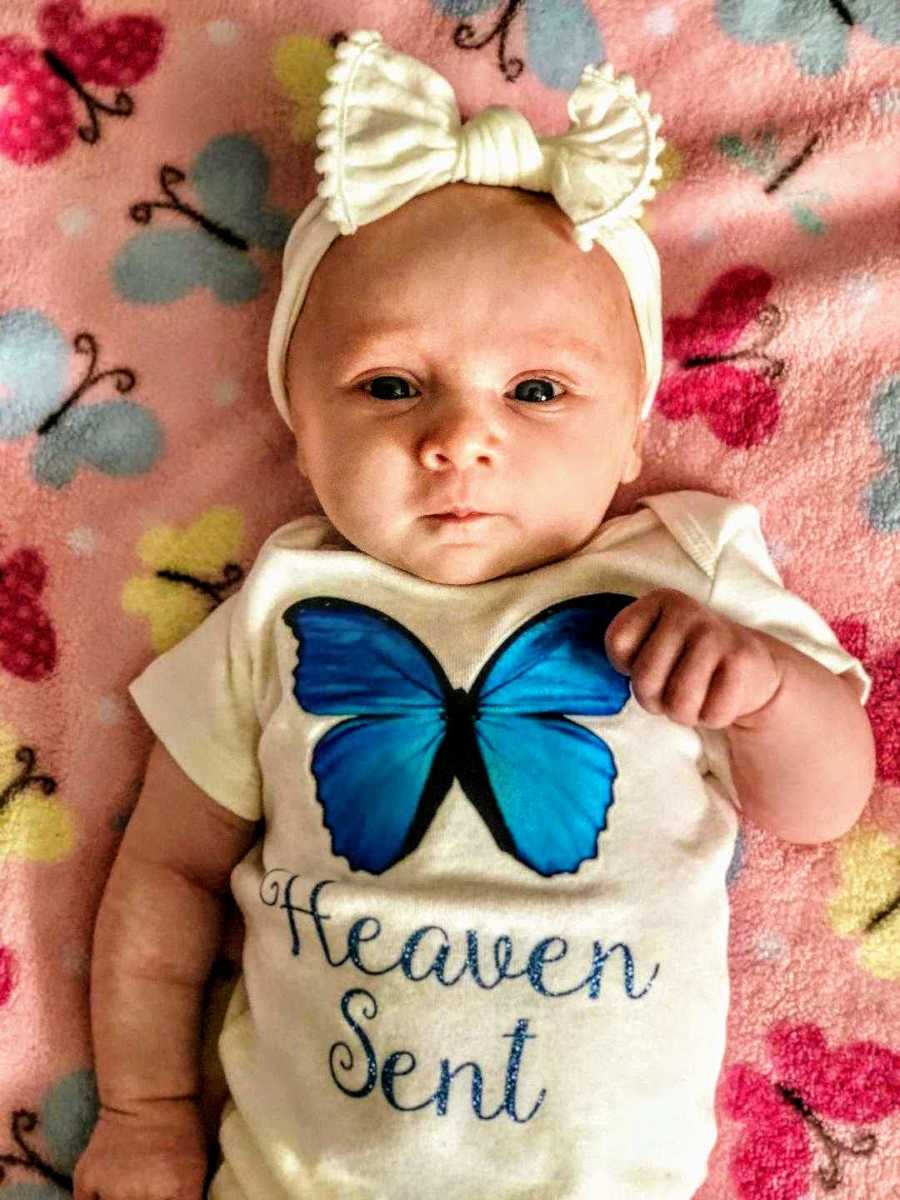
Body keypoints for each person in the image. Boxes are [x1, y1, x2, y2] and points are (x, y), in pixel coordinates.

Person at [72, 28, 875, 1200]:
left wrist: (763, 694)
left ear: (629, 435)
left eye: (537, 391)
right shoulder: (285, 609)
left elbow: (824, 804)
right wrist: (144, 1114)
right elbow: (165, 878)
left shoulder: (683, 573)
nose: (459, 438)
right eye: (390, 385)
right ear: (299, 424)